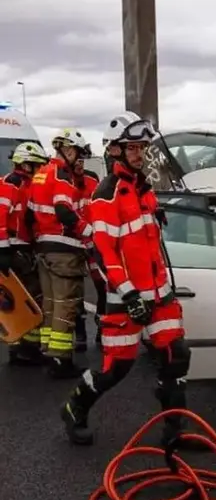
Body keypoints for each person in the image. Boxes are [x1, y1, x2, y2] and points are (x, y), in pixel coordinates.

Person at [60, 112, 197, 449]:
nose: (140, 153)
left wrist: (154, 214)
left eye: (142, 147)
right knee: (115, 369)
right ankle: (75, 408)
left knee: (176, 356)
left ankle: (175, 432)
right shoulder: (106, 195)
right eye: (132, 147)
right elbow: (105, 252)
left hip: (159, 295)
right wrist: (129, 294)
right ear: (115, 150)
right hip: (127, 299)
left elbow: (144, 243)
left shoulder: (143, 189)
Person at [28, 128, 93, 378]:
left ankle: (48, 352)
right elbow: (64, 210)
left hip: (44, 248)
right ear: (68, 150)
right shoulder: (62, 174)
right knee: (66, 306)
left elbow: (30, 214)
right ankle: (60, 359)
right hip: (64, 249)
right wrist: (89, 231)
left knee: (50, 304)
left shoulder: (41, 174)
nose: (79, 159)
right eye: (78, 153)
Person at [0, 141, 50, 366]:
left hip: (22, 246)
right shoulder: (11, 183)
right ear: (25, 164)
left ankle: (25, 346)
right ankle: (24, 348)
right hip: (13, 247)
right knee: (29, 297)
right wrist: (3, 250)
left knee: (27, 297)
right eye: (36, 166)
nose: (39, 170)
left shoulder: (27, 184)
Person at [73, 143, 104, 352]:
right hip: (72, 244)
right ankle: (80, 334)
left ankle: (102, 327)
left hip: (93, 243)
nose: (80, 165)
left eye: (82, 161)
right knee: (75, 291)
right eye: (77, 161)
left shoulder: (93, 179)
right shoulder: (63, 180)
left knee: (102, 285)